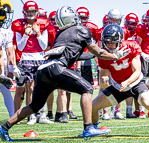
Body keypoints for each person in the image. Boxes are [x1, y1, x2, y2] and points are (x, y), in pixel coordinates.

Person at [0, 6, 131, 141]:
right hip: (56, 68)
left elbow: (78, 55)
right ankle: (88, 128)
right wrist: (115, 56)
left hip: (43, 69)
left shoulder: (60, 34)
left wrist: (100, 55)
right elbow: (99, 52)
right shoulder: (82, 29)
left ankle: (4, 127)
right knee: (87, 88)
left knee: (35, 105)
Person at [92, 24, 149, 137]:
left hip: (136, 84)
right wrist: (104, 81)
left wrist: (127, 82)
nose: (110, 45)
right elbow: (103, 78)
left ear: (120, 41)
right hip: (118, 87)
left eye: (113, 42)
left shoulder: (131, 46)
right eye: (107, 42)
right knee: (94, 106)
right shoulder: (104, 54)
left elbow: (137, 71)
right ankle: (93, 129)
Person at [11, 1, 53, 125]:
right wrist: (25, 34)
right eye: (29, 11)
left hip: (40, 57)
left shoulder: (43, 24)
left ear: (36, 12)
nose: (31, 14)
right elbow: (20, 47)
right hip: (26, 57)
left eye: (33, 11)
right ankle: (32, 115)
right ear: (24, 12)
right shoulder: (19, 25)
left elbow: (44, 45)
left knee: (43, 86)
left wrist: (38, 33)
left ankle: (43, 114)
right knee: (30, 88)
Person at [46, 11, 77, 122]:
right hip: (58, 61)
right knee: (59, 90)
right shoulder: (51, 31)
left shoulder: (68, 31)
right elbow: (48, 48)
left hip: (67, 61)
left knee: (63, 90)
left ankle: (60, 113)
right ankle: (61, 113)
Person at [124, 12, 146, 119]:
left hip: (137, 61)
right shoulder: (123, 32)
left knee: (140, 85)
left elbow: (139, 46)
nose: (132, 26)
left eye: (134, 24)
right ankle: (128, 110)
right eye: (130, 23)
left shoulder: (139, 32)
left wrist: (143, 54)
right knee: (127, 86)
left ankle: (141, 111)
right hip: (124, 62)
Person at [0, 0, 18, 118]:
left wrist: (12, 67)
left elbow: (5, 53)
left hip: (2, 64)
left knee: (6, 91)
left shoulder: (6, 32)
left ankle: (13, 116)